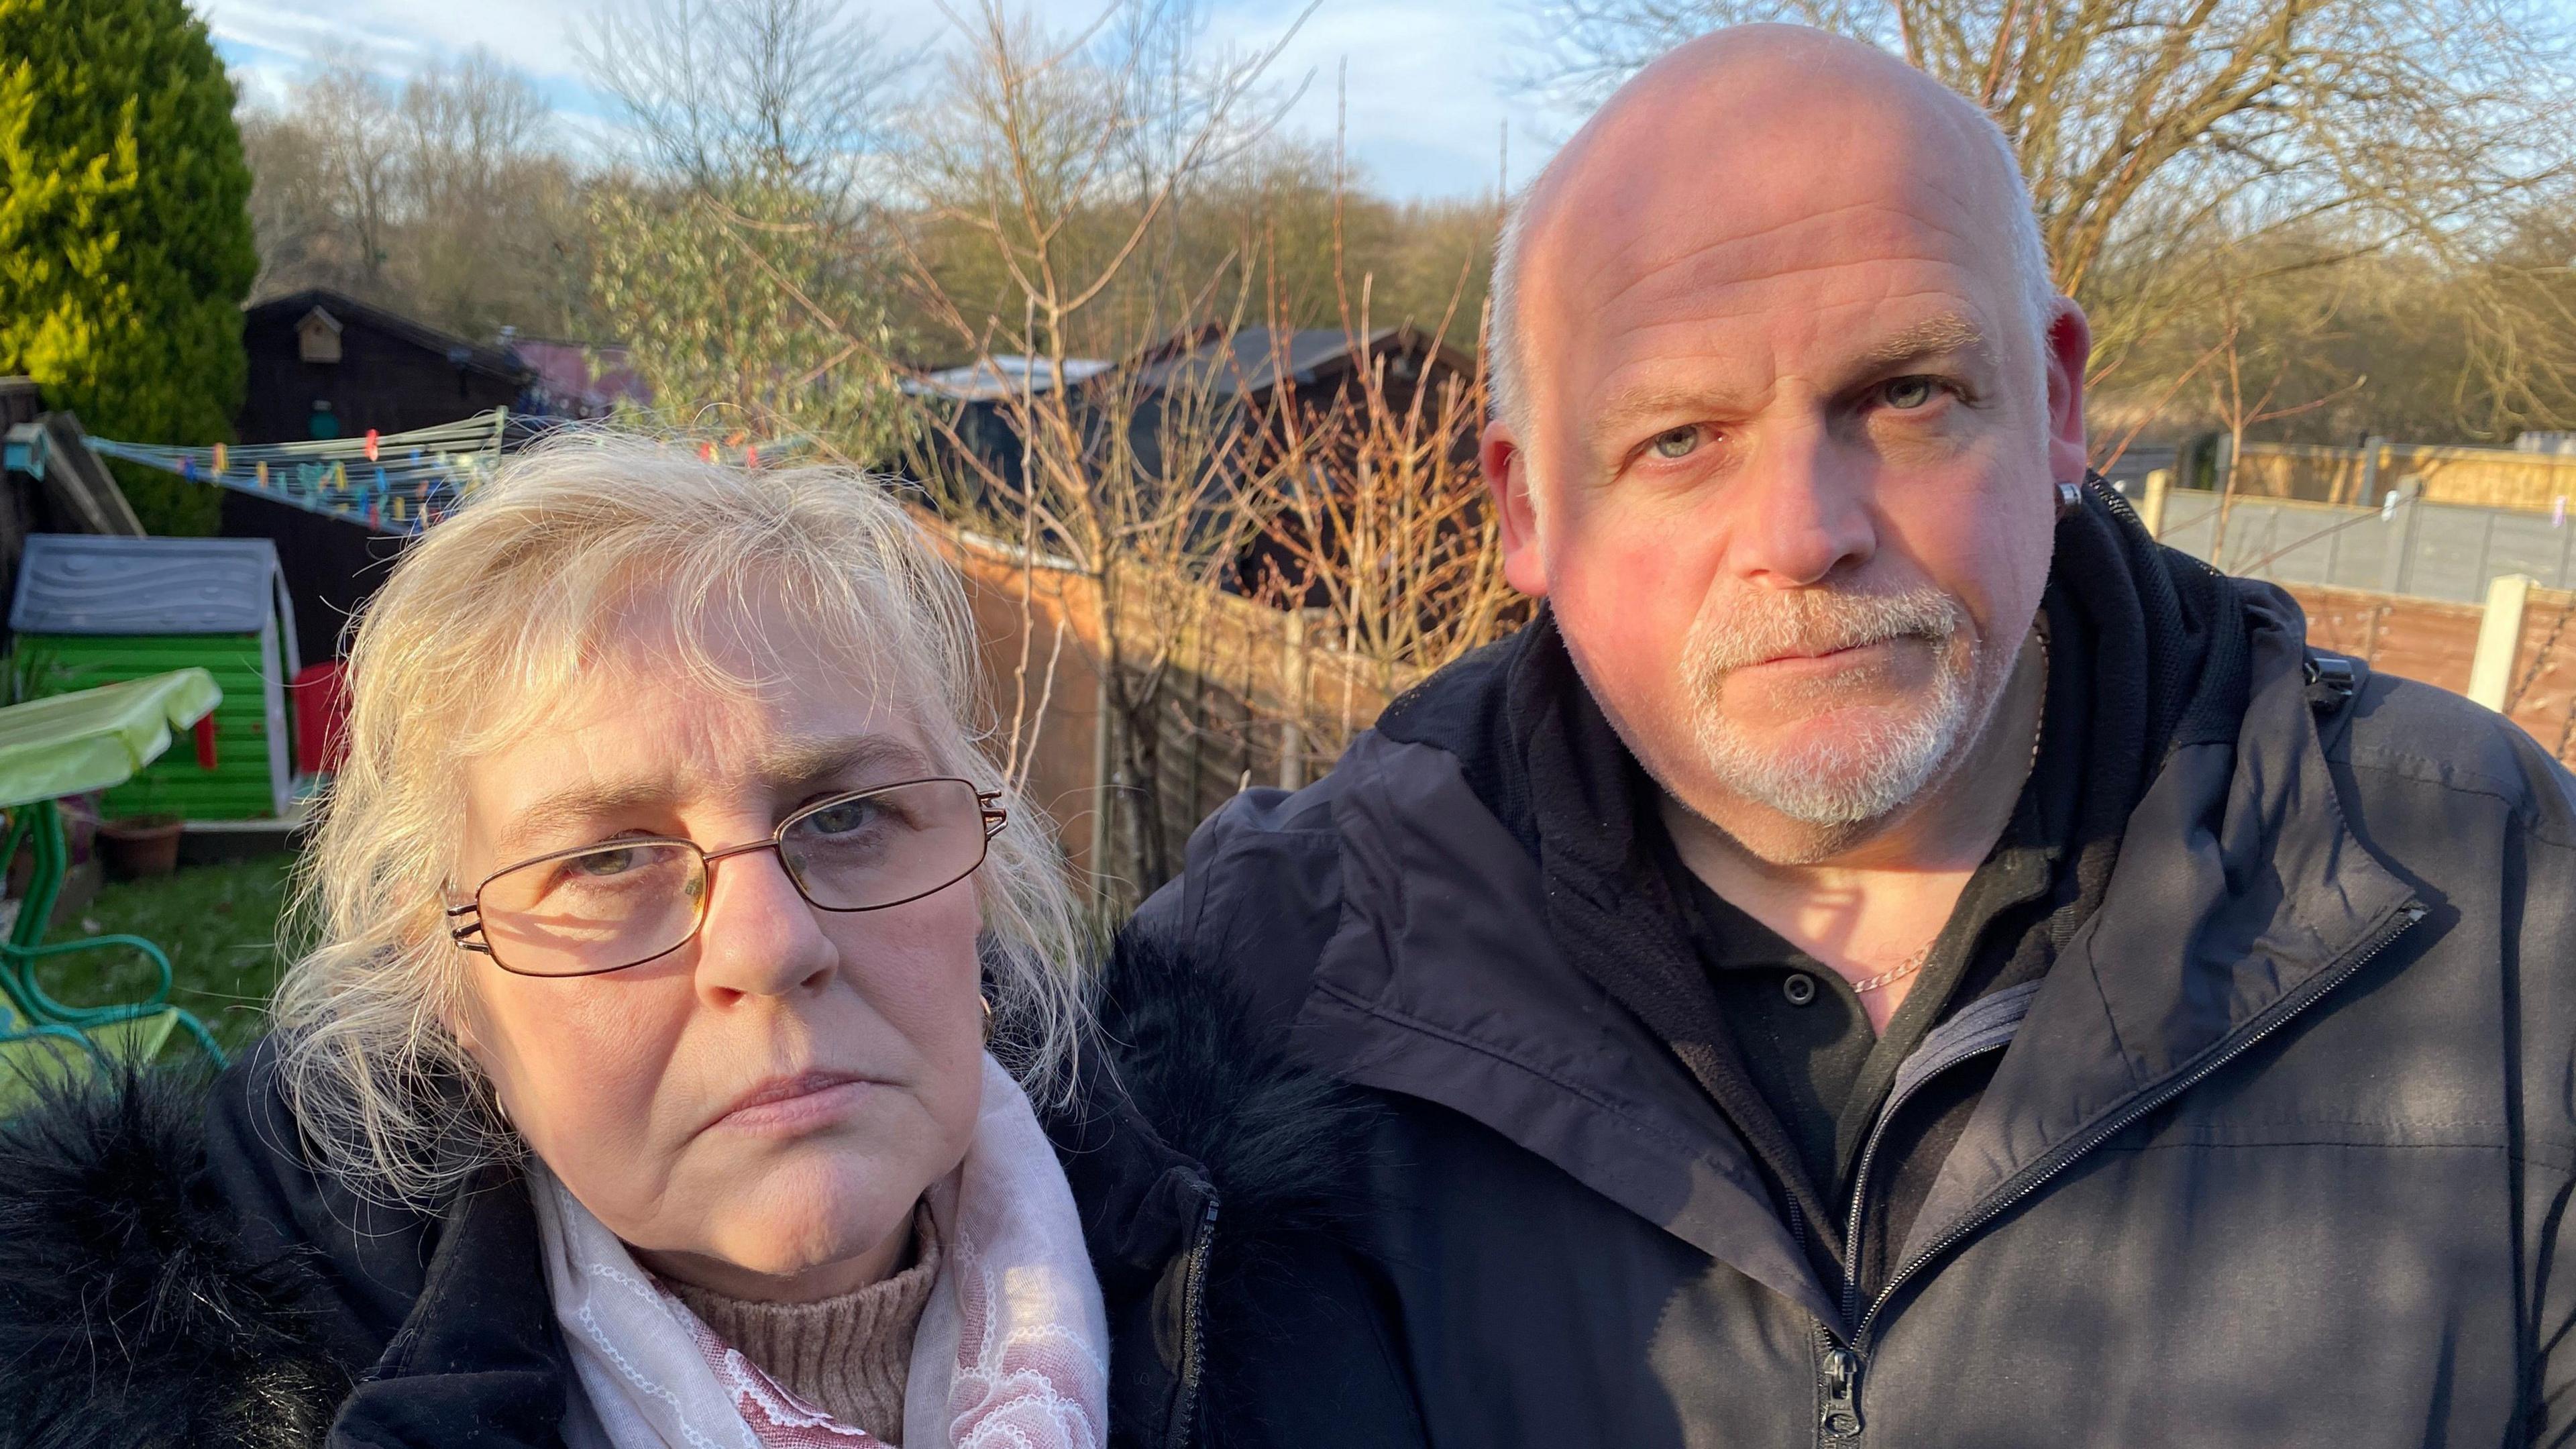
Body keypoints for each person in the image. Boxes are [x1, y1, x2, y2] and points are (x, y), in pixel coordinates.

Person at [1116, 23, 2576, 1446]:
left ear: (2060, 403)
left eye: (1905, 395)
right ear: (1527, 510)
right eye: (1678, 440)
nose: (1807, 536)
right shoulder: (1255, 987)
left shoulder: (2495, 910)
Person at [0, 436, 1335, 1448]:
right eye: (604, 858)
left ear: (979, 868)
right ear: (447, 983)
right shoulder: (186, 1388)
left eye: (851, 812)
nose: (769, 941)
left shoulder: (1307, 1299)